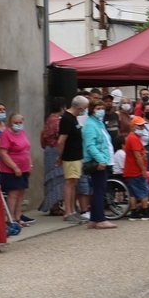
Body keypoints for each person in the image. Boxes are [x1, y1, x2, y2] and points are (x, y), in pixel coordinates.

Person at [82, 100, 118, 229]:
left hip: (105, 160)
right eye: (98, 108)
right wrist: (101, 160)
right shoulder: (90, 125)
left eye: (102, 107)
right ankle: (100, 219)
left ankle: (94, 219)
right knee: (99, 191)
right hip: (98, 162)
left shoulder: (99, 123)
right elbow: (90, 145)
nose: (101, 110)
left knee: (99, 190)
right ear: (92, 110)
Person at [56, 96, 90, 224]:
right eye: (84, 108)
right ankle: (68, 212)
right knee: (70, 183)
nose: (85, 110)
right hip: (70, 156)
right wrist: (60, 156)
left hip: (76, 155)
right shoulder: (67, 119)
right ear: (80, 108)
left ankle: (72, 210)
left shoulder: (73, 118)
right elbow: (61, 141)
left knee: (73, 183)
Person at [124, 117, 149, 221]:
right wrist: (143, 170)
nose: (142, 127)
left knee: (133, 192)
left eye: (142, 125)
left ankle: (134, 211)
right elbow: (137, 156)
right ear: (133, 126)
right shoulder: (134, 138)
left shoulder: (132, 137)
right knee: (144, 190)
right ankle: (145, 211)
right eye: (139, 125)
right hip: (136, 170)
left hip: (131, 170)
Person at [0, 113, 33, 226]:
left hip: (24, 168)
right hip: (10, 169)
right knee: (13, 193)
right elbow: (3, 153)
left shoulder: (22, 132)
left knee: (21, 192)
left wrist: (30, 165)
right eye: (16, 123)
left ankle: (18, 217)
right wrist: (14, 167)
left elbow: (26, 150)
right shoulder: (6, 134)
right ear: (10, 123)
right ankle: (11, 218)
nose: (18, 125)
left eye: (20, 123)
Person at [40, 97, 66, 217]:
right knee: (57, 178)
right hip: (55, 150)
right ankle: (54, 206)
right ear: (61, 107)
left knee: (53, 178)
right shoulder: (56, 121)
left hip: (49, 150)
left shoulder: (49, 119)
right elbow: (59, 136)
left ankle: (54, 205)